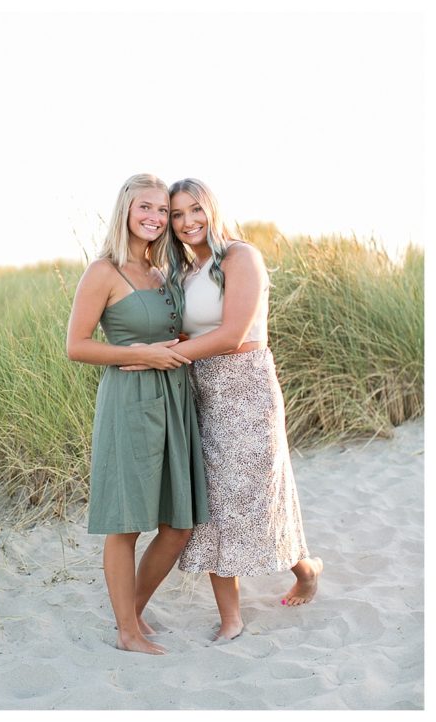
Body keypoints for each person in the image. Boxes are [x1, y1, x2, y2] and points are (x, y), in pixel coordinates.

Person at [139, 177, 323, 641]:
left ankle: (306, 570)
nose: (186, 222)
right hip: (201, 390)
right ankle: (231, 617)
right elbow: (191, 334)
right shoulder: (182, 272)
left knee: (260, 500)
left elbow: (233, 334)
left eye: (194, 210)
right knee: (216, 505)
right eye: (176, 215)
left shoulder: (241, 257)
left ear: (212, 209)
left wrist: (166, 354)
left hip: (248, 390)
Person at [66, 173, 209, 655]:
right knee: (126, 523)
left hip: (174, 400)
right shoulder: (103, 271)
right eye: (145, 207)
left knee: (179, 523)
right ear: (126, 210)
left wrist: (180, 346)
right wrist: (145, 355)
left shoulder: (164, 271)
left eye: (163, 211)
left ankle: (132, 613)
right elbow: (76, 346)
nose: (156, 217)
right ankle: (127, 631)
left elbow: (176, 331)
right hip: (129, 401)